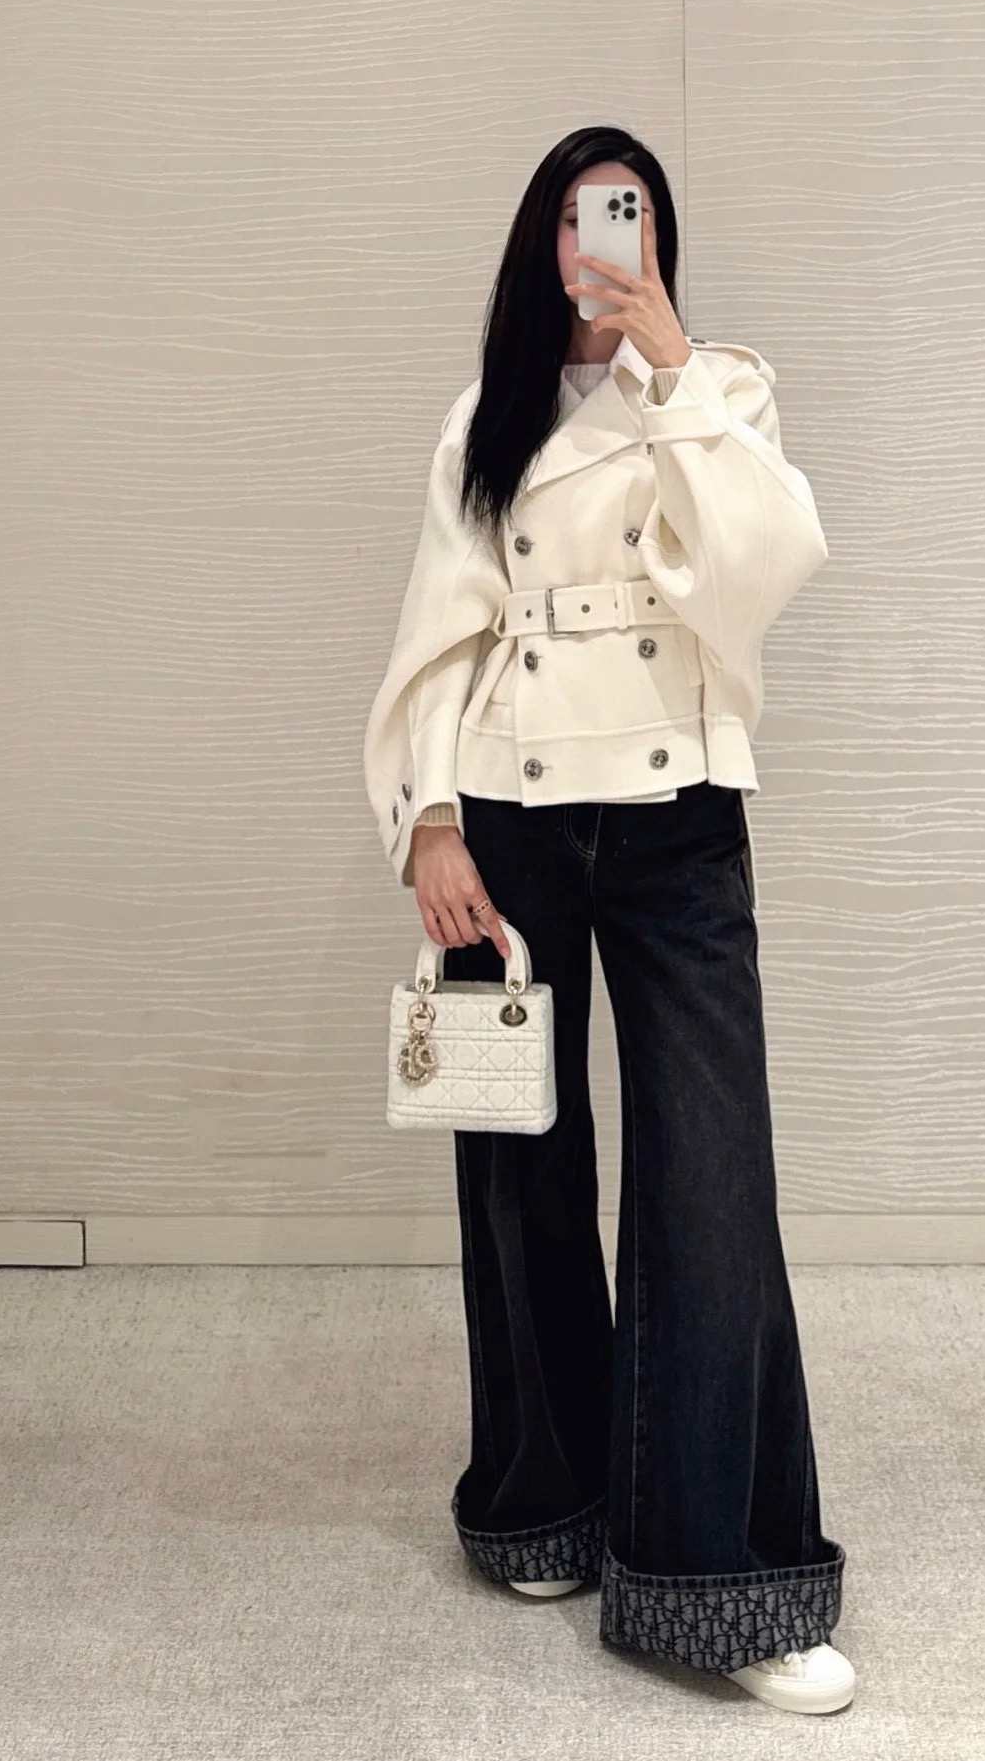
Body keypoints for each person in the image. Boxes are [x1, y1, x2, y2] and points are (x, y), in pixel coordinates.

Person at [363, 126, 853, 1716]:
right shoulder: (484, 418)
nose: (604, 241)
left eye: (627, 215)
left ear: (657, 238)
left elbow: (760, 571)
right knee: (519, 1160)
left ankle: (728, 1574)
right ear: (543, 239)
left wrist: (670, 360)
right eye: (582, 217)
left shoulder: (722, 392)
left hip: (676, 812)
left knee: (710, 1175)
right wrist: (429, 817)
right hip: (504, 809)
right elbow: (440, 632)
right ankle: (545, 1495)